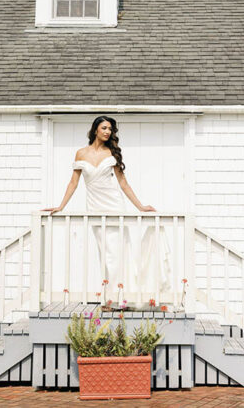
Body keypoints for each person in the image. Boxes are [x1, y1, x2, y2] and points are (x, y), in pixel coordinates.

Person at [42, 115, 171, 302]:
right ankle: (112, 294)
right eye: (104, 128)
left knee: (117, 252)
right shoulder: (81, 153)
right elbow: (73, 183)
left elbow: (123, 183)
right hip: (95, 207)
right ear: (95, 130)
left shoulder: (112, 153)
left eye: (110, 129)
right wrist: (61, 206)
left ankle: (118, 296)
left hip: (114, 204)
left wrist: (141, 207)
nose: (107, 132)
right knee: (105, 253)